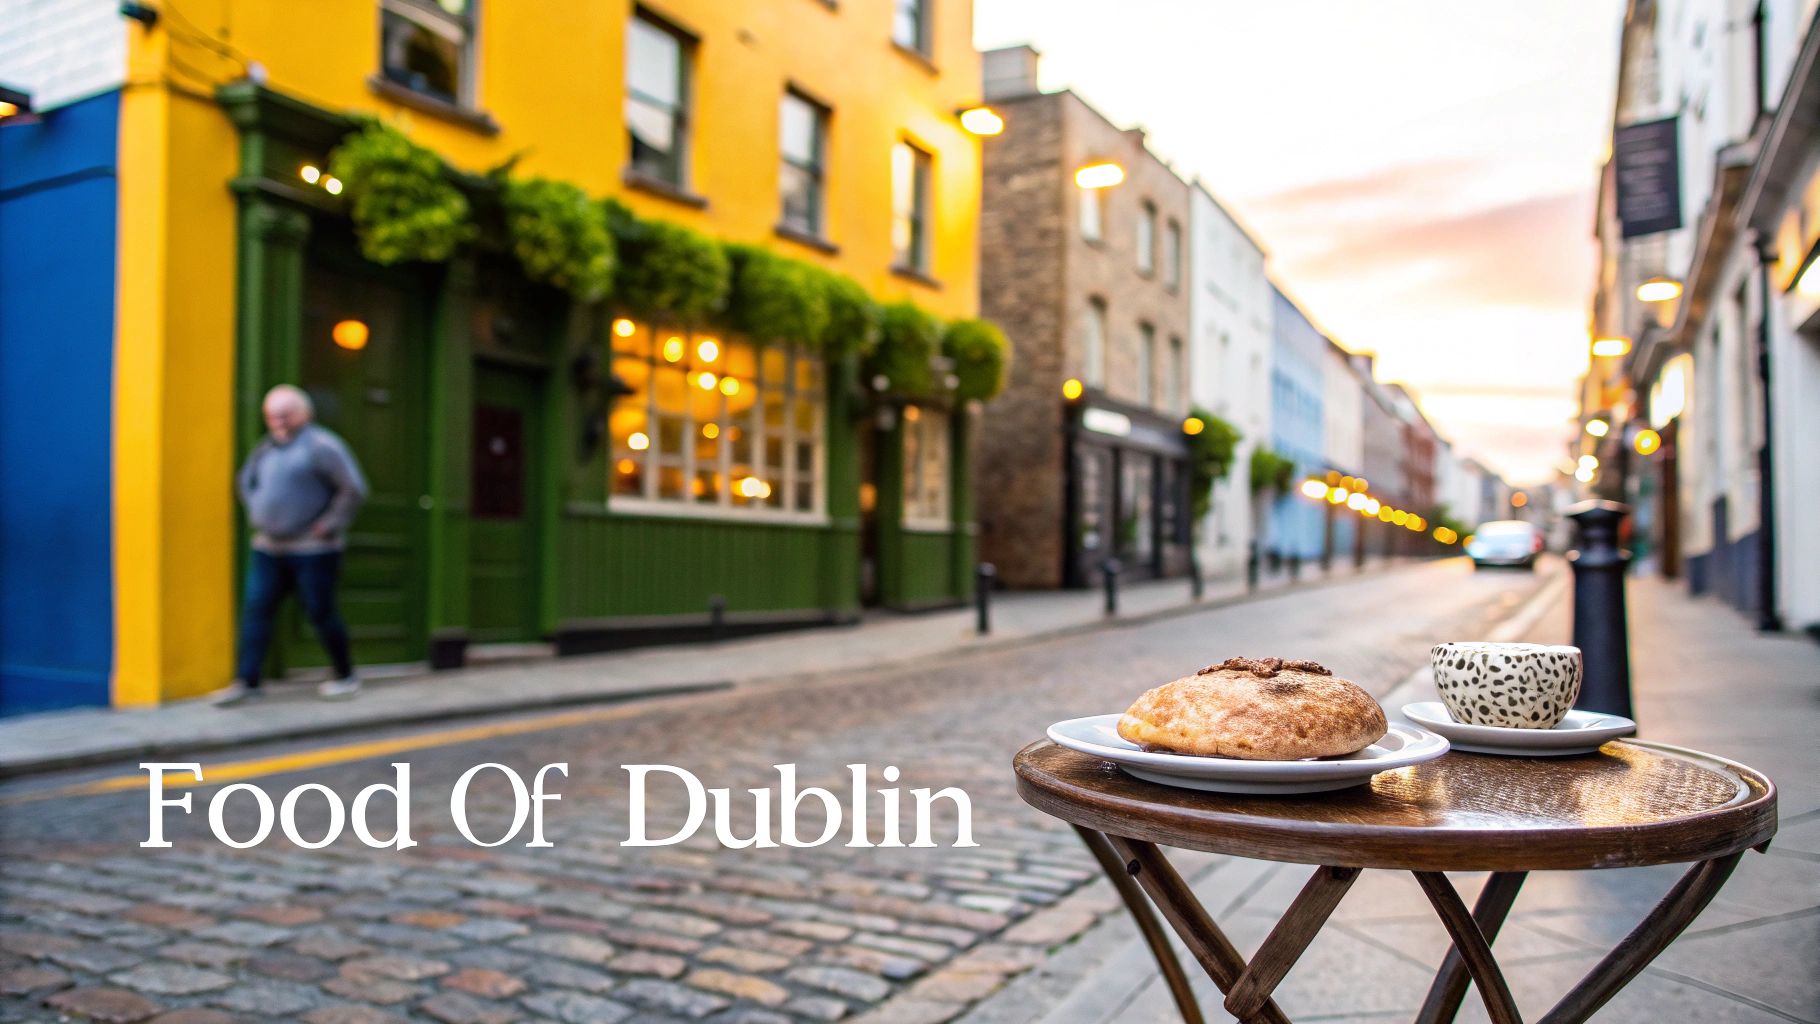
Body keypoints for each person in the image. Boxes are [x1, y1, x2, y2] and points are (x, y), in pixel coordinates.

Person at [212, 385, 369, 705]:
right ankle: (247, 681)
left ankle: (345, 675)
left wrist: (328, 525)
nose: (278, 422)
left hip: (313, 550)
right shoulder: (266, 448)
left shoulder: (322, 446)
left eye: (285, 415)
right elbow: (245, 480)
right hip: (269, 547)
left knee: (319, 611)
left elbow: (353, 489)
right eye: (272, 416)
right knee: (257, 610)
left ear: (304, 414)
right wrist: (258, 509)